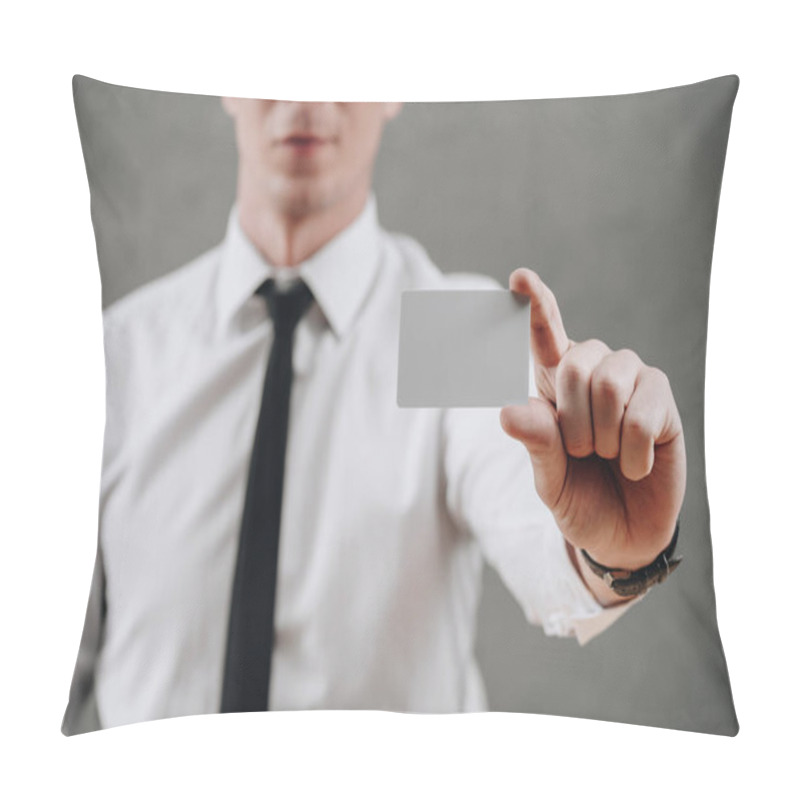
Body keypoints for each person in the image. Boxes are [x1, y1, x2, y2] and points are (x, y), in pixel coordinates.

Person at [62, 100, 686, 733]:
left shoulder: (456, 331)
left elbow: (541, 542)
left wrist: (614, 553)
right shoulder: (117, 353)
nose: (304, 97)